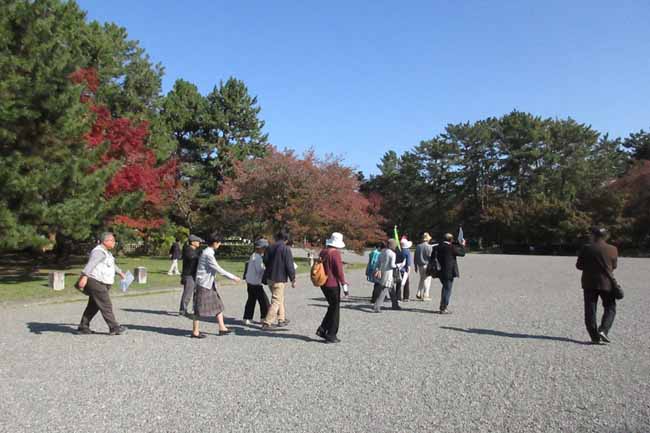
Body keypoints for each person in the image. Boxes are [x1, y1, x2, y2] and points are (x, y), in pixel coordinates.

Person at [191, 233, 241, 339]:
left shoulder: (209, 252)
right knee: (199, 307)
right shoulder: (208, 254)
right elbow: (218, 269)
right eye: (219, 242)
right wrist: (233, 277)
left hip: (209, 284)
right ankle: (195, 331)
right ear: (214, 243)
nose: (220, 244)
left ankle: (222, 327)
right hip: (203, 284)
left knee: (218, 305)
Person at [76, 232, 126, 335]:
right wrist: (84, 277)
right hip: (95, 282)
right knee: (106, 304)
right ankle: (114, 327)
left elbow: (111, 265)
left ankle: (83, 327)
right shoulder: (98, 252)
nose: (114, 243)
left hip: (101, 282)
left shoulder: (106, 252)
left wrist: (120, 272)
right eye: (112, 240)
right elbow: (90, 265)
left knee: (93, 306)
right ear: (105, 241)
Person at [576, 227, 619, 344]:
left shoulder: (586, 248)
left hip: (589, 283)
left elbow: (579, 266)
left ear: (593, 236)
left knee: (590, 310)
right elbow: (614, 266)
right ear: (605, 236)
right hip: (607, 283)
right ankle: (603, 330)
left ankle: (594, 336)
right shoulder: (613, 249)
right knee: (610, 307)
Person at [316, 232, 348, 343]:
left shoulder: (323, 251)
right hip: (332, 283)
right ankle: (331, 334)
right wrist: (344, 283)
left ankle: (323, 329)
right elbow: (339, 271)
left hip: (323, 282)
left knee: (332, 306)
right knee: (335, 309)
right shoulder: (335, 253)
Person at [261, 230, 296, 329]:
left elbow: (265, 261)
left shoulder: (269, 247)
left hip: (269, 277)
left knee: (279, 297)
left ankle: (281, 318)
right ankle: (267, 322)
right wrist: (293, 279)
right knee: (276, 300)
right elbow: (289, 265)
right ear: (286, 239)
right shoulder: (285, 249)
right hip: (279, 278)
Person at [434, 233, 466, 314]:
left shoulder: (437, 247)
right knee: (447, 289)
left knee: (445, 288)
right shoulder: (451, 247)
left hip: (440, 270)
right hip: (449, 272)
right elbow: (462, 253)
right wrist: (462, 245)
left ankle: (443, 306)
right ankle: (443, 307)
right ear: (451, 240)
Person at [243, 238, 270, 325]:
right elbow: (260, 270)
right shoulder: (258, 258)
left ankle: (247, 317)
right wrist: (267, 268)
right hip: (255, 283)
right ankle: (264, 317)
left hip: (250, 281)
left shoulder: (253, 255)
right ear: (261, 248)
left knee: (251, 300)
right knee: (264, 301)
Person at [372, 238, 401, 312]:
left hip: (382, 272)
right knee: (384, 290)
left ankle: (395, 304)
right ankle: (377, 306)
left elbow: (377, 263)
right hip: (389, 273)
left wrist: (376, 270)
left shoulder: (382, 252)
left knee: (391, 289)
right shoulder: (392, 254)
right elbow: (392, 265)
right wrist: (399, 266)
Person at [179, 234, 203, 316]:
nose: (199, 243)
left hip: (195, 274)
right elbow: (193, 258)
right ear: (192, 242)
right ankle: (183, 310)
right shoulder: (188, 250)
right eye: (198, 241)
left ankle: (194, 309)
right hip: (189, 275)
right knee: (188, 293)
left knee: (196, 292)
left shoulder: (195, 250)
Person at [414, 232, 433, 301]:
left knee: (422, 278)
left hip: (420, 265)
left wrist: (415, 266)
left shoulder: (418, 246)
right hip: (426, 264)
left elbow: (415, 257)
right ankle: (426, 295)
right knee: (427, 280)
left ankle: (418, 293)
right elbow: (430, 257)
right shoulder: (429, 247)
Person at [396, 237, 413, 301]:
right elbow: (408, 262)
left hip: (398, 268)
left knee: (398, 283)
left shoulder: (397, 250)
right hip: (404, 269)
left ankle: (398, 297)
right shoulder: (407, 251)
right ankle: (406, 297)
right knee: (406, 283)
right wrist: (409, 270)